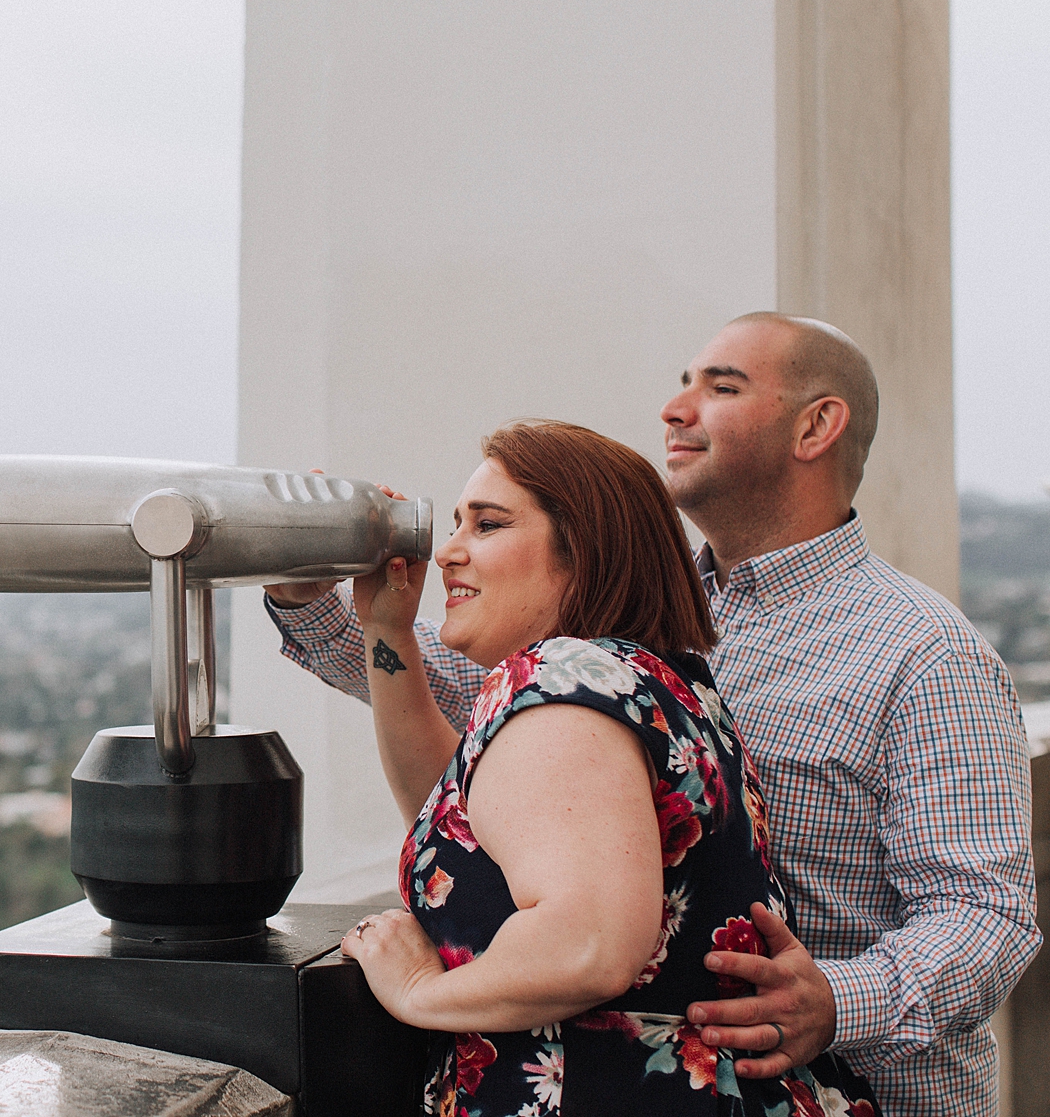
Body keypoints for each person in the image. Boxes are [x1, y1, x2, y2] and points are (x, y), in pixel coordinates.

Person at [269, 314, 1038, 1117]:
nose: (675, 408)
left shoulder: (925, 651)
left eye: (721, 386)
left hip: (852, 1085)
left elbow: (987, 913)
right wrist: (319, 601)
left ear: (817, 425)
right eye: (681, 383)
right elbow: (467, 719)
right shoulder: (644, 637)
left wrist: (834, 1001)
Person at [334, 418, 880, 1114]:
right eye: (456, 524)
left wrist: (418, 992)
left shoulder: (562, 676)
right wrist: (387, 632)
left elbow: (587, 947)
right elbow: (472, 823)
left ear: (583, 550)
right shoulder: (644, 682)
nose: (448, 553)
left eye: (489, 525)